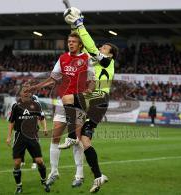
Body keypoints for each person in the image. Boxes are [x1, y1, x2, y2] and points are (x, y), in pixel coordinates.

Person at [60, 7, 119, 193]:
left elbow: (91, 48)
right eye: (102, 47)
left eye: (104, 48)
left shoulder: (107, 61)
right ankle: (99, 176)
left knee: (67, 98)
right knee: (85, 140)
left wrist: (80, 24)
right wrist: (76, 25)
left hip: (98, 98)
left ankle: (70, 137)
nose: (101, 49)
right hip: (95, 99)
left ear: (110, 54)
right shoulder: (98, 59)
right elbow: (85, 44)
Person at [26, 32, 95, 188]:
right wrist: (36, 87)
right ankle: (54, 172)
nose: (70, 44)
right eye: (69, 41)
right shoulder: (63, 58)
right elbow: (53, 78)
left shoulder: (86, 59)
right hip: (62, 102)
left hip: (77, 102)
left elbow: (92, 80)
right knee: (55, 136)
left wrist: (87, 92)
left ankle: (79, 175)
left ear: (80, 44)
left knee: (75, 139)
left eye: (73, 42)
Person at [6, 82, 50, 194]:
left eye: (28, 91)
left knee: (39, 161)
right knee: (17, 163)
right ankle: (19, 186)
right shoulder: (16, 106)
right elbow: (11, 122)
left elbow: (42, 117)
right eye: (24, 91)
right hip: (19, 136)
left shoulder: (36, 105)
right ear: (21, 93)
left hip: (32, 135)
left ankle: (44, 181)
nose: (26, 93)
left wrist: (44, 128)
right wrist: (9, 137)